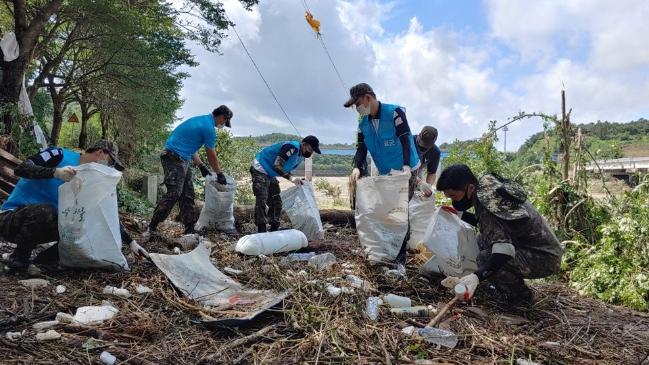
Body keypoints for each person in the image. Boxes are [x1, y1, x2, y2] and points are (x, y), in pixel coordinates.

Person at [0, 140, 147, 271]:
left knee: (81, 230)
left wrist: (131, 243)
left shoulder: (90, 182)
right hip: (11, 218)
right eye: (110, 162)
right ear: (100, 153)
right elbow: (21, 169)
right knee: (46, 211)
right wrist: (54, 172)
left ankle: (42, 261)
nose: (110, 167)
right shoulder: (58, 154)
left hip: (39, 227)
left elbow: (106, 215)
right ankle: (18, 259)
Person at [436, 164, 563, 306]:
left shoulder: (488, 204)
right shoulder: (486, 189)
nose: (454, 202)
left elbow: (504, 251)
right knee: (481, 240)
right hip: (535, 247)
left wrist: (477, 276)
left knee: (486, 258)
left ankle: (520, 299)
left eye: (454, 196)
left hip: (545, 257)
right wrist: (459, 214)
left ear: (470, 188)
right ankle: (496, 282)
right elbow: (488, 225)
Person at [344, 82, 420, 266]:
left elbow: (405, 139)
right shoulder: (363, 123)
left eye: (357, 104)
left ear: (368, 98)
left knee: (400, 211)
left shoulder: (394, 113)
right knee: (385, 209)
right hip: (386, 171)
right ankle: (386, 249)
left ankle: (399, 259)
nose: (356, 108)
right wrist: (357, 167)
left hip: (405, 169)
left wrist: (406, 167)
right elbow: (361, 149)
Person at [144, 106, 233, 240]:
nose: (223, 125)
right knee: (174, 193)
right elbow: (211, 155)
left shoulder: (201, 121)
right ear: (222, 117)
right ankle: (151, 227)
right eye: (225, 121)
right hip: (173, 157)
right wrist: (219, 173)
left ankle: (190, 229)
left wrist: (201, 166)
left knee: (188, 194)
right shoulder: (208, 128)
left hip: (182, 158)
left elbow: (189, 146)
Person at [251, 136, 321, 233]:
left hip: (270, 173)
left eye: (313, 151)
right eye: (310, 149)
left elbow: (285, 169)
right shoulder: (291, 148)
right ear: (304, 144)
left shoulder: (300, 156)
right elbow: (277, 166)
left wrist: (296, 179)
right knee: (262, 197)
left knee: (276, 201)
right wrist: (291, 178)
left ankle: (274, 227)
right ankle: (261, 228)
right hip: (261, 167)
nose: (311, 152)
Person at [413, 126, 441, 197]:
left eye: (426, 147)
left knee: (416, 196)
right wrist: (419, 182)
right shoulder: (408, 142)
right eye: (421, 144)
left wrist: (428, 186)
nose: (423, 148)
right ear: (419, 135)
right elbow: (399, 166)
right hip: (401, 171)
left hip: (418, 173)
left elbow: (431, 173)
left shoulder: (435, 152)